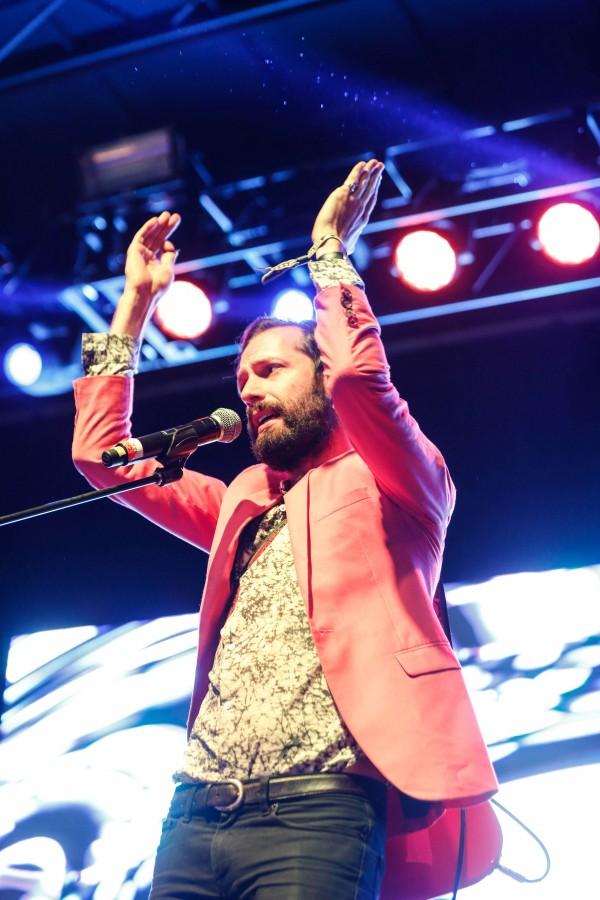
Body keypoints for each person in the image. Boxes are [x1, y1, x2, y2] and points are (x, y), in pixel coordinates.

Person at [72, 159, 500, 900]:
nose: (251, 389)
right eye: (243, 379)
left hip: (318, 811)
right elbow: (99, 457)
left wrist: (330, 251)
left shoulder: (400, 480)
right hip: (195, 810)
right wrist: (134, 307)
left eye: (271, 371)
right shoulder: (242, 498)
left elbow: (360, 382)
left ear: (318, 378)